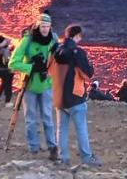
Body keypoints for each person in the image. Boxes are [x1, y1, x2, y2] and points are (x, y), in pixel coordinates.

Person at [9, 12, 60, 160]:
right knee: (31, 118)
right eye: (43, 26)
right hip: (29, 85)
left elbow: (58, 59)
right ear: (38, 26)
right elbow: (13, 63)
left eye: (47, 27)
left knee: (47, 117)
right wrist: (31, 67)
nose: (45, 30)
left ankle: (52, 147)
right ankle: (33, 148)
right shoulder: (27, 40)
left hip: (46, 84)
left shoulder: (53, 40)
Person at [52, 24, 101, 167]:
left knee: (61, 129)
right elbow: (87, 74)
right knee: (81, 128)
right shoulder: (77, 52)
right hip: (75, 96)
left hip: (59, 96)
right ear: (77, 35)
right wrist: (90, 66)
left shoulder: (56, 51)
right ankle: (87, 157)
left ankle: (63, 158)